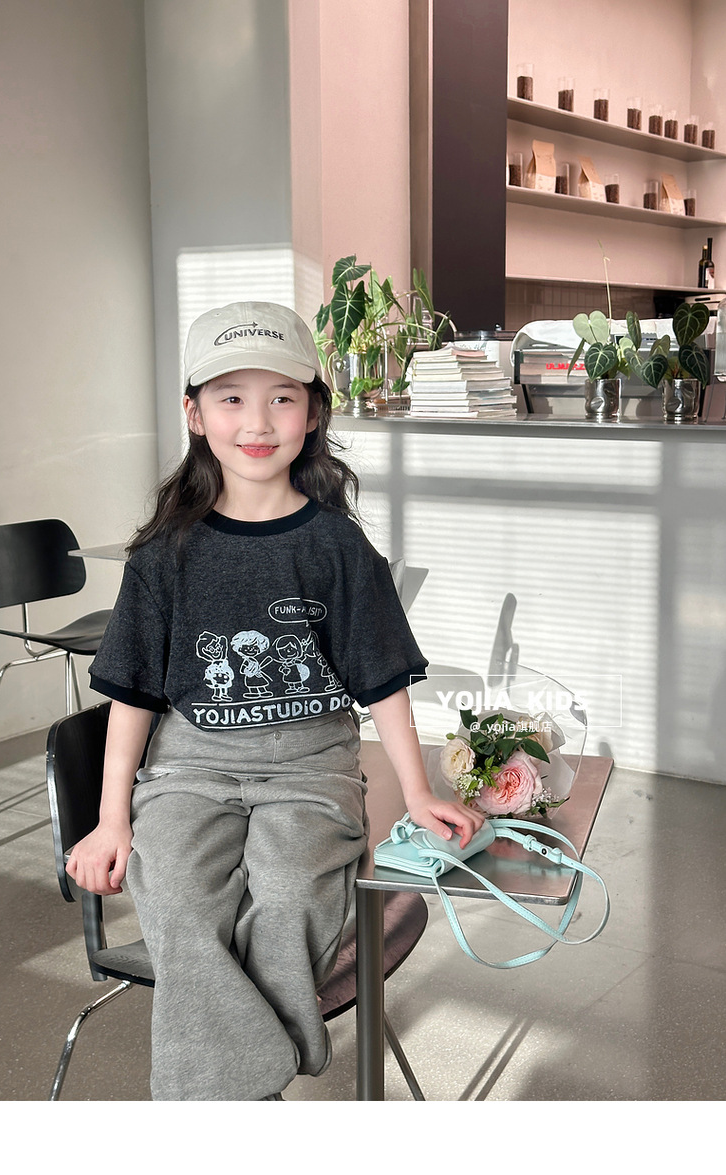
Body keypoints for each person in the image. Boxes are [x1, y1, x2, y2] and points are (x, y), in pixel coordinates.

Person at [66, 300, 482, 1101]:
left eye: (282, 398)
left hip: (310, 767)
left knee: (293, 891)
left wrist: (418, 790)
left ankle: (218, 1099)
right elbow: (131, 694)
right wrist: (113, 818)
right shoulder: (163, 553)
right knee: (179, 897)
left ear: (313, 412)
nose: (257, 421)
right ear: (194, 413)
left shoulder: (339, 547)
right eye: (231, 398)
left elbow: (382, 680)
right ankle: (251, 1086)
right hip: (188, 768)